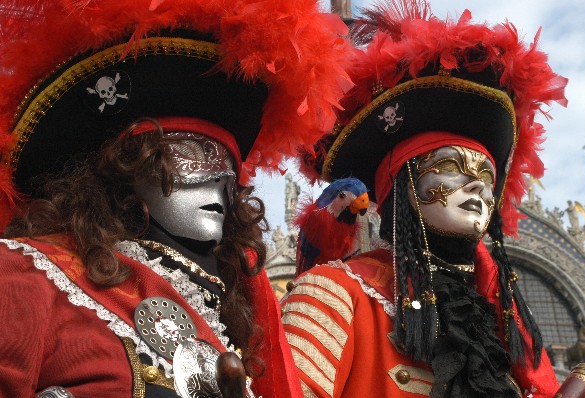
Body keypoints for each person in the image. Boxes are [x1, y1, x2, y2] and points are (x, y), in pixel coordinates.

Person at [0, 1, 351, 397]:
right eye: (195, 155)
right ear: (127, 165)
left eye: (230, 172)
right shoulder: (26, 277)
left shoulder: (231, 320)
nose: (219, 182)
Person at [284, 1, 568, 397]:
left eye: (486, 175)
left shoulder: (503, 326)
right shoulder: (336, 297)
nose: (477, 186)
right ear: (402, 185)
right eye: (452, 166)